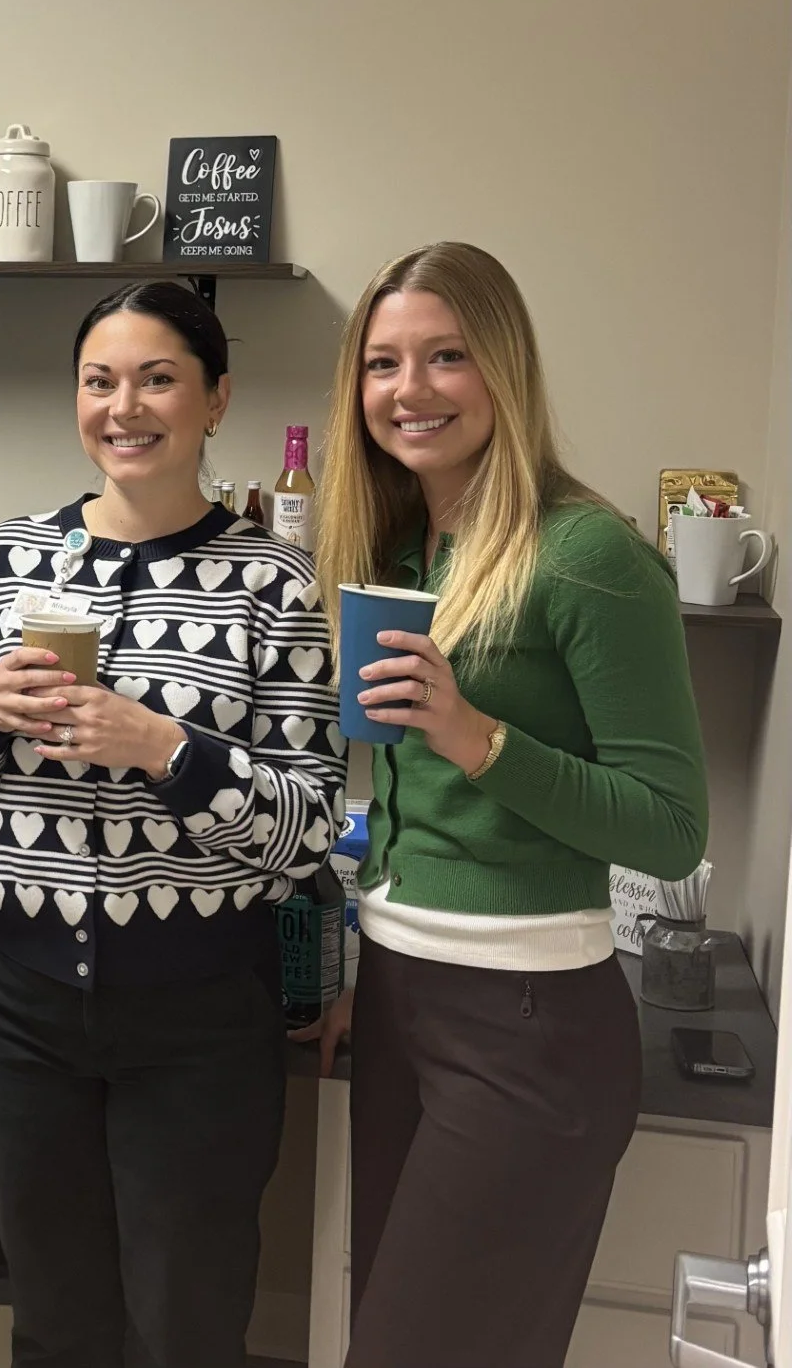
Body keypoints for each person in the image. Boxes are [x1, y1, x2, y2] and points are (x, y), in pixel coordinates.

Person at [0, 281, 346, 1368]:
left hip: (201, 1013)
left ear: (215, 399)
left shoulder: (273, 582)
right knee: (53, 1320)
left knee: (187, 1324)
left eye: (158, 379)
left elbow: (310, 824)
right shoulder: (0, 563)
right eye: (99, 381)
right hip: (20, 1003)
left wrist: (165, 751)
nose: (124, 407)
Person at [294, 242, 708, 1368]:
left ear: (505, 367)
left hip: (528, 1025)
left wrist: (479, 738)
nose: (410, 390)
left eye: (447, 356)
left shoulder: (588, 555)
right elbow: (411, 808)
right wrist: (372, 963)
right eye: (383, 363)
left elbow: (673, 827)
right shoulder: (402, 549)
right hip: (401, 997)